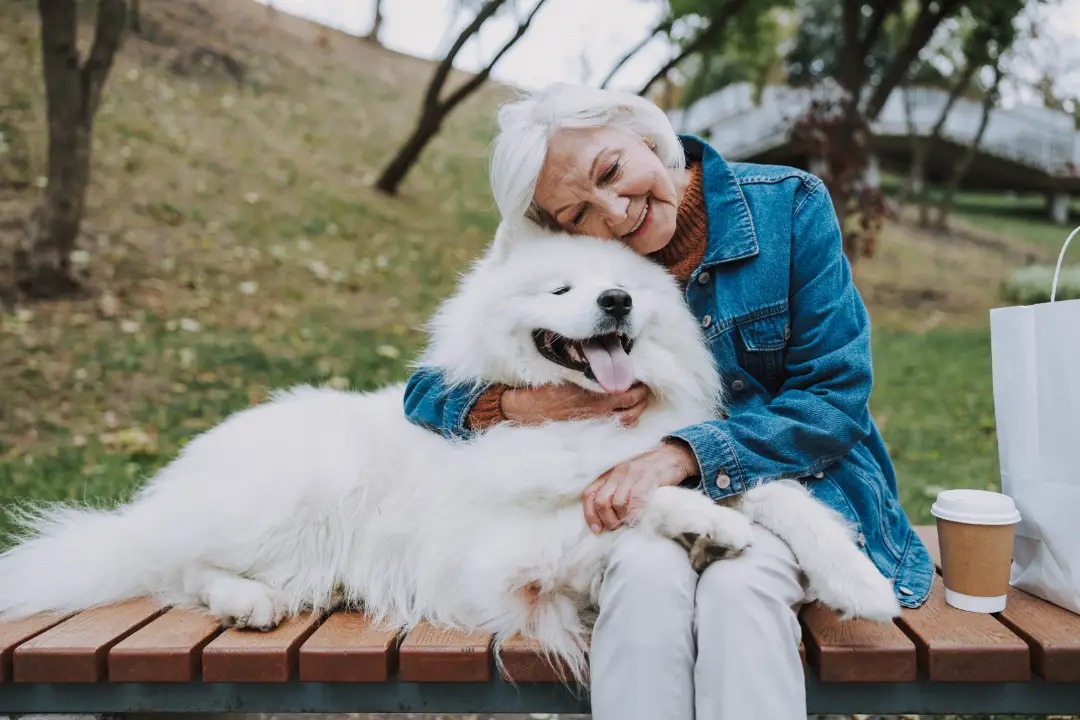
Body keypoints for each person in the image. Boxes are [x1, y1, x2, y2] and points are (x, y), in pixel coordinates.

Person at [402, 83, 933, 719]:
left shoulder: (787, 206)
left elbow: (834, 396)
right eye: (578, 214)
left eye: (612, 170)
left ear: (641, 131)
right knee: (646, 578)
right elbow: (430, 388)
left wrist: (683, 454)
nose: (616, 213)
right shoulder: (585, 266)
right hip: (641, 513)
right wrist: (529, 404)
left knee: (738, 590)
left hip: (797, 484)